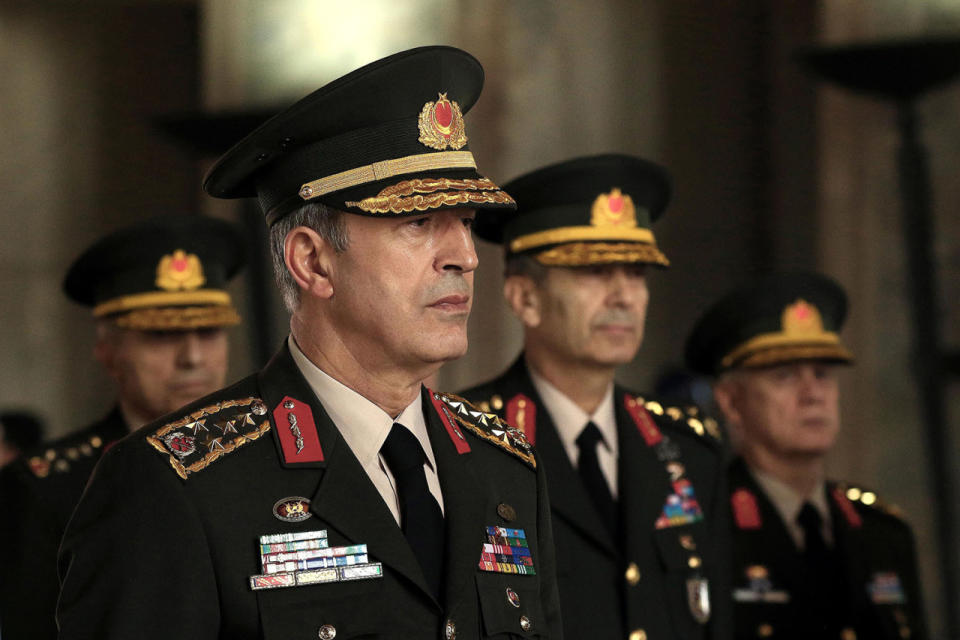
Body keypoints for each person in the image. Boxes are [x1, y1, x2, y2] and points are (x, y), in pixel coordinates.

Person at [57, 46, 561, 640]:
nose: (466, 257)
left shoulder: (508, 467)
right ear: (313, 261)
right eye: (418, 222)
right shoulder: (176, 486)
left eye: (467, 223)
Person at [461, 154, 731, 640]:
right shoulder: (463, 443)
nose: (624, 296)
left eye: (636, 272)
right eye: (594, 271)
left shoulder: (689, 449)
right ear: (524, 297)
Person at [0, 215, 245, 640]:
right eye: (162, 335)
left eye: (208, 331)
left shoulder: (272, 459)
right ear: (108, 352)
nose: (193, 358)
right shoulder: (44, 488)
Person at [684, 271, 927, 640]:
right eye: (784, 376)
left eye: (822, 374)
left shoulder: (882, 533)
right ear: (731, 401)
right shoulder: (704, 527)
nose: (813, 394)